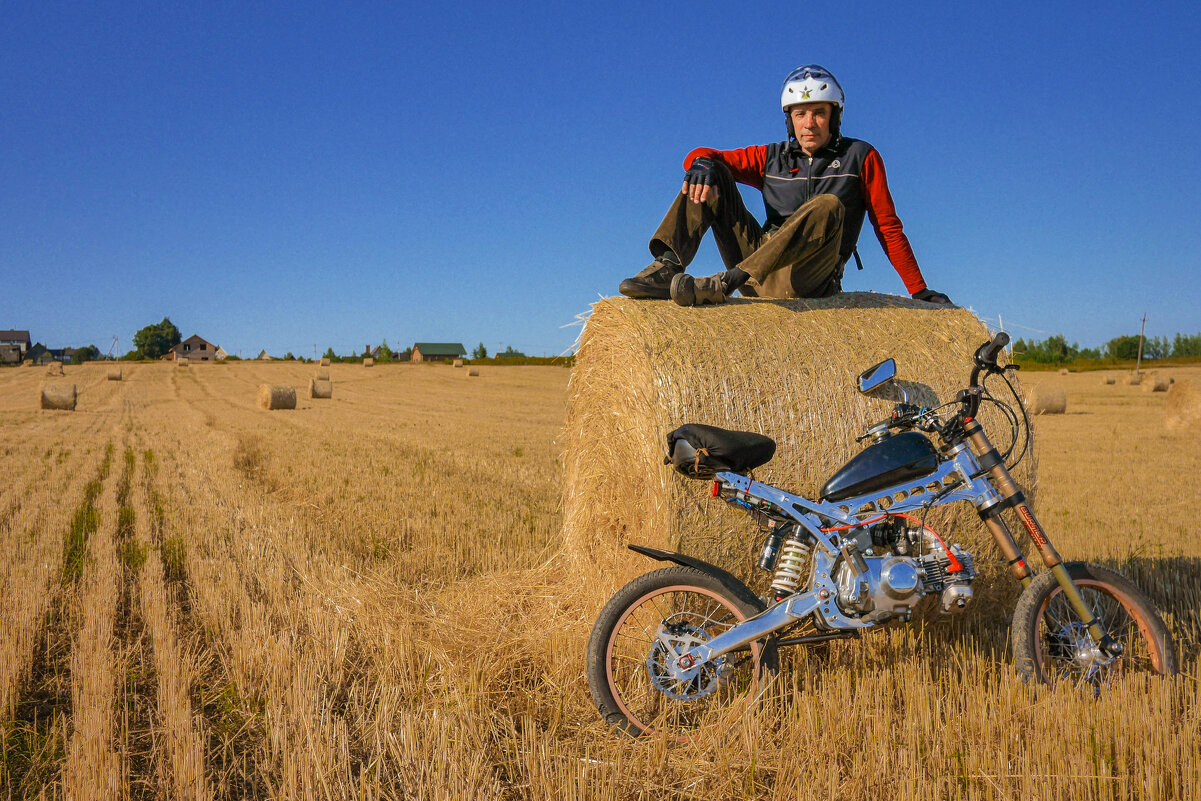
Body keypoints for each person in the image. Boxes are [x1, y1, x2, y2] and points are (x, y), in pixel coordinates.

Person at [618, 65, 952, 307]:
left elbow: (888, 228)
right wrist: (700, 162)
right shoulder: (772, 157)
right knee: (710, 170)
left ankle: (727, 282)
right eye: (800, 114)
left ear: (834, 117)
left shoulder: (861, 157)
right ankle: (667, 267)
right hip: (758, 265)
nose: (810, 123)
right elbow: (705, 154)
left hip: (810, 278)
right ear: (789, 119)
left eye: (819, 113)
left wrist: (918, 291)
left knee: (828, 206)